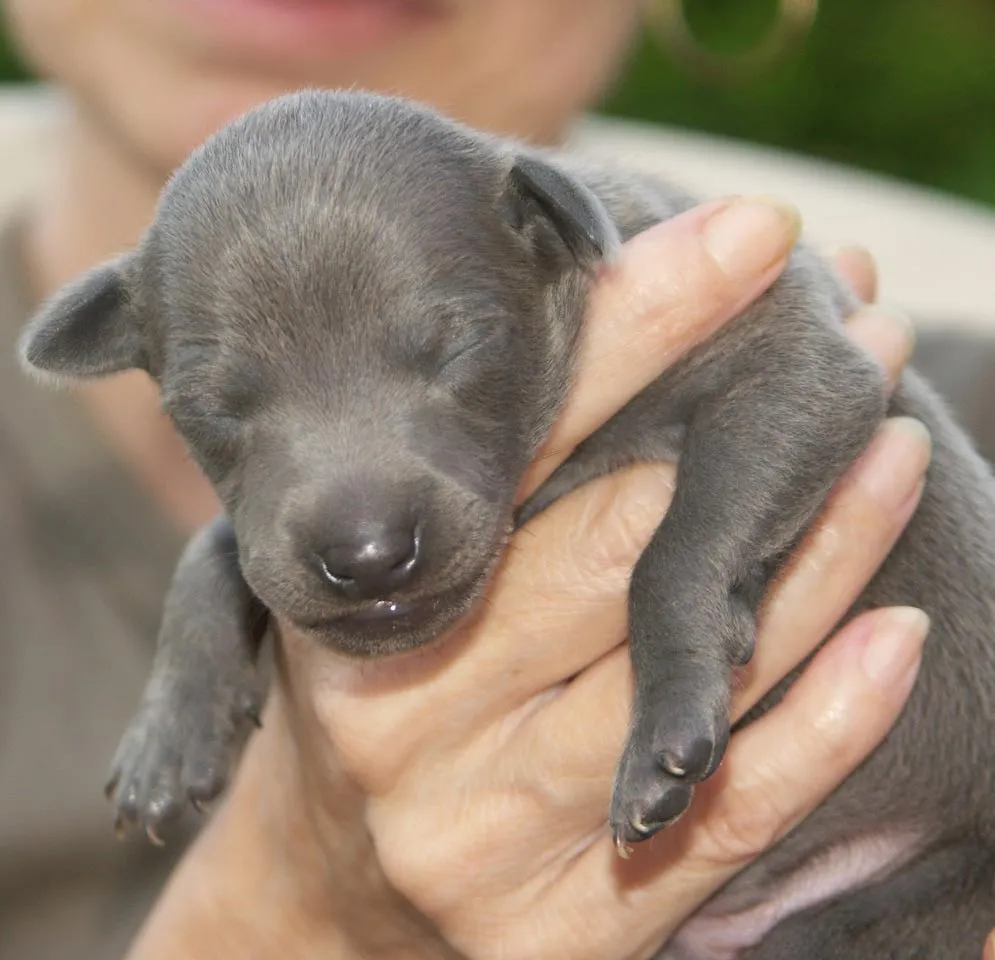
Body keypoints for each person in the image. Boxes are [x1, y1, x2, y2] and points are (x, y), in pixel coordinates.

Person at [0, 2, 991, 957]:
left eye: (455, 346)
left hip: (919, 862)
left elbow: (812, 374)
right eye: (224, 409)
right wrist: (284, 921)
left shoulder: (657, 253)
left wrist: (684, 594)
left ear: (546, 232)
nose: (366, 538)